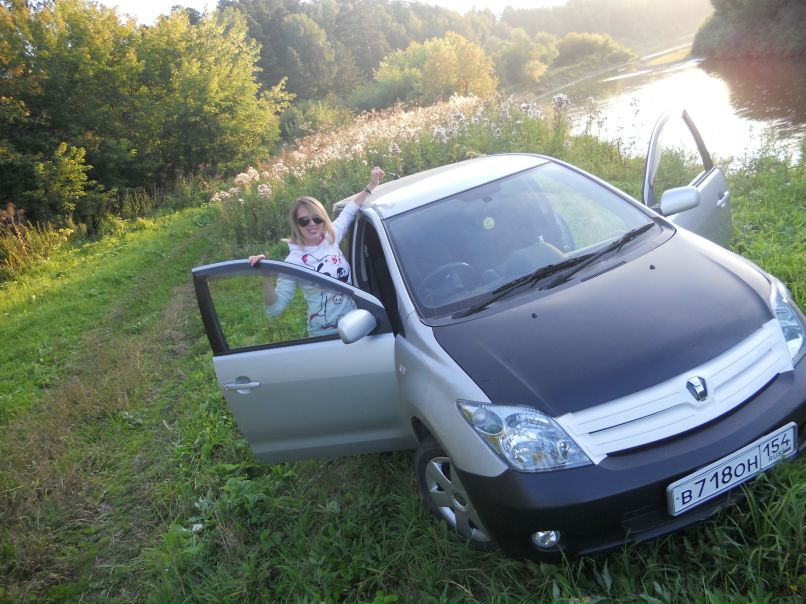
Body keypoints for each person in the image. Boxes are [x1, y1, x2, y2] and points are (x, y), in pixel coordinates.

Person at [248, 167, 385, 336]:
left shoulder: (331, 237)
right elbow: (274, 309)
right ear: (296, 225)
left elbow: (350, 210)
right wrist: (266, 276)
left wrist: (371, 185)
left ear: (323, 219)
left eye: (317, 218)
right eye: (304, 221)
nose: (312, 224)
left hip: (356, 325)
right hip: (325, 335)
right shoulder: (294, 261)